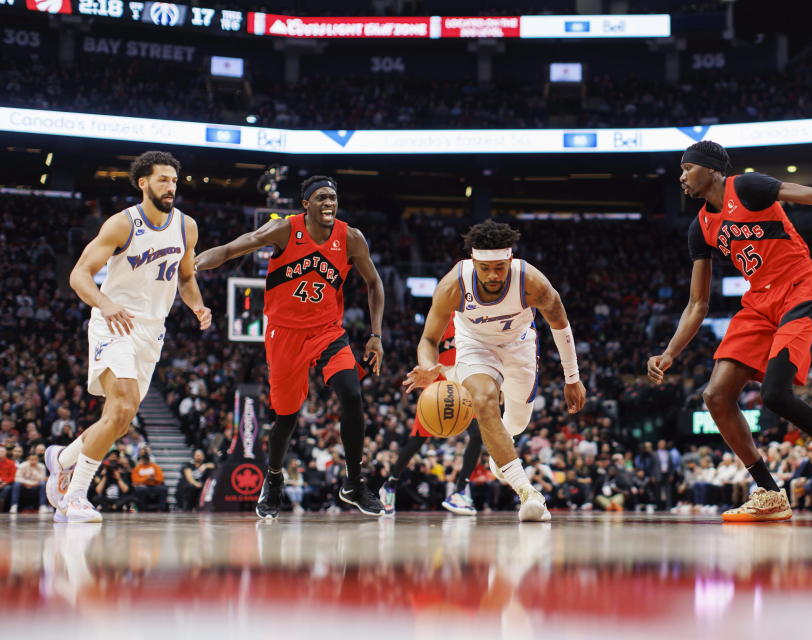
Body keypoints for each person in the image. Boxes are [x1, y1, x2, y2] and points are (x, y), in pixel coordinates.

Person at [647, 140, 812, 522]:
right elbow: (698, 304)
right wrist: (670, 352)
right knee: (715, 395)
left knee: (775, 394)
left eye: (687, 168)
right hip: (758, 302)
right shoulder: (701, 226)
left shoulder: (746, 187)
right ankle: (769, 491)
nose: (681, 176)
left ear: (712, 169)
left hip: (798, 287)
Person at [195, 175, 386, 518]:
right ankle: (274, 479)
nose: (329, 203)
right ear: (306, 204)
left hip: (327, 331)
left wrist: (375, 335)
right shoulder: (284, 230)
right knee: (286, 418)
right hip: (284, 334)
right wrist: (193, 264)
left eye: (333, 197)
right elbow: (230, 249)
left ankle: (354, 482)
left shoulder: (351, 237)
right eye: (322, 198)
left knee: (351, 394)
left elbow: (374, 283)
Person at [45, 151, 211, 523]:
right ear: (143, 183)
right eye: (163, 180)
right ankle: (73, 497)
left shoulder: (187, 227)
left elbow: (186, 278)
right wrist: (104, 304)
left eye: (173, 180)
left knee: (121, 418)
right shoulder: (123, 224)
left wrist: (197, 306)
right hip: (114, 322)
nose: (171, 187)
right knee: (121, 406)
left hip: (152, 332)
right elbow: (79, 275)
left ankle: (62, 458)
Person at [404, 219, 586, 522]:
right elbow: (429, 339)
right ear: (473, 261)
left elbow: (560, 324)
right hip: (475, 345)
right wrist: (427, 366)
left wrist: (572, 378)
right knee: (484, 399)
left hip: (519, 346)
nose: (492, 275)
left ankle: (501, 450)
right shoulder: (453, 285)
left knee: (515, 422)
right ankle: (528, 493)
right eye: (484, 268)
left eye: (499, 268)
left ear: (510, 260)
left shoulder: (532, 282)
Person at [380, 314, 485, 516]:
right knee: (417, 440)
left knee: (477, 434)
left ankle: (460, 491)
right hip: (439, 385)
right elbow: (426, 346)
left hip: (466, 384)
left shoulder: (478, 317)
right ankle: (389, 485)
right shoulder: (444, 316)